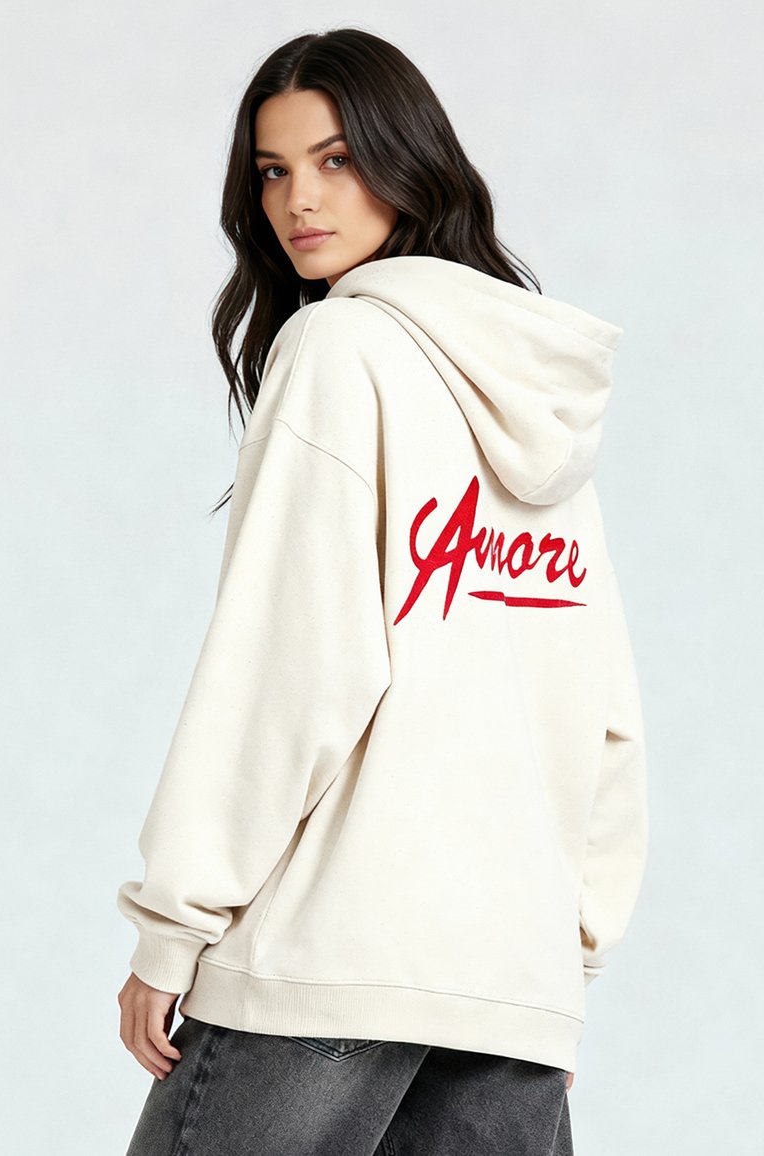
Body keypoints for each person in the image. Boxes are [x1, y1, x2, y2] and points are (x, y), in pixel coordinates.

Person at [116, 26, 648, 1156]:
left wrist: (173, 925)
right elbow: (602, 708)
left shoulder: (340, 350)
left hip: (332, 962)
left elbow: (285, 670)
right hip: (510, 977)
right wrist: (565, 953)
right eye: (272, 170)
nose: (298, 200)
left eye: (337, 159)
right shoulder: (543, 404)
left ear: (409, 160)